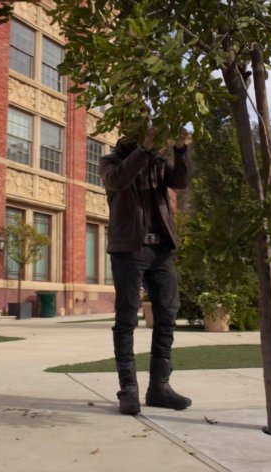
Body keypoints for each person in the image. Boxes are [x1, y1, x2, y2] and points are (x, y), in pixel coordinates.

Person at [100, 124, 192, 415]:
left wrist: (179, 150)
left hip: (161, 248)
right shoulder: (110, 162)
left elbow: (180, 181)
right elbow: (119, 180)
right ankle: (128, 389)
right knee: (127, 317)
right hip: (129, 247)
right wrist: (145, 150)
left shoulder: (157, 161)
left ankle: (159, 387)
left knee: (167, 314)